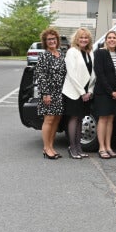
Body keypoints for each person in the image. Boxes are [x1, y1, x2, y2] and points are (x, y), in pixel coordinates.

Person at [61, 28, 95, 159]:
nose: (84, 40)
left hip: (87, 91)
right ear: (76, 39)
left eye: (86, 38)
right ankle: (72, 147)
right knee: (74, 118)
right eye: (81, 37)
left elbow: (93, 73)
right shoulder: (72, 52)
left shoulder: (90, 52)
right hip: (74, 92)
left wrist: (90, 91)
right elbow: (72, 74)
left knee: (81, 118)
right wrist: (82, 92)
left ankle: (79, 147)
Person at [35, 28, 66, 160]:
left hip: (60, 92)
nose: (52, 41)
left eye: (54, 39)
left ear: (57, 40)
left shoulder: (61, 54)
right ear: (45, 42)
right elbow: (41, 76)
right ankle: (46, 148)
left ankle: (51, 146)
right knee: (49, 119)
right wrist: (45, 94)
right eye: (49, 39)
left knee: (56, 120)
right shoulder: (44, 56)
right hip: (49, 92)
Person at [92, 30, 116, 159]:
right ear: (106, 40)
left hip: (115, 93)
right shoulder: (100, 53)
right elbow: (100, 74)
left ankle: (109, 147)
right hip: (103, 93)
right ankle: (101, 148)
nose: (111, 40)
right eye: (109, 38)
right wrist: (111, 91)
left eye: (114, 38)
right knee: (103, 119)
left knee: (110, 119)